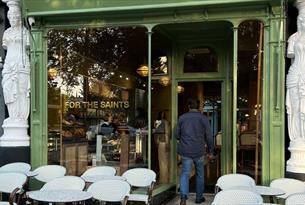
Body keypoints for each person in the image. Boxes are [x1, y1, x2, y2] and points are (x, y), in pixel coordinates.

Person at [176, 98, 214, 205]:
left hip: (186, 150)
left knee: (184, 173)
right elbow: (209, 136)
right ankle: (199, 198)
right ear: (198, 107)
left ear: (189, 106)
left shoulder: (182, 118)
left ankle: (183, 198)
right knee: (200, 174)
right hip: (199, 151)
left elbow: (176, 135)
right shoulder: (203, 118)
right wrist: (211, 151)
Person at [2, 3, 30, 123]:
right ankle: (12, 116)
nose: (12, 20)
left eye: (15, 17)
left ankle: (21, 118)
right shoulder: (6, 33)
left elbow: (29, 47)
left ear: (19, 18)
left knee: (21, 90)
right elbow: (5, 46)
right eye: (10, 17)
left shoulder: (25, 32)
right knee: (7, 88)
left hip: (21, 63)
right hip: (9, 63)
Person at [286, 12, 305, 141]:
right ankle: (297, 137)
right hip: (295, 73)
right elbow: (290, 54)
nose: (302, 23)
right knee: (295, 108)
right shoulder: (294, 38)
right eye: (300, 20)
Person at [154, 111, 170, 184]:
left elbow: (155, 133)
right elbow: (167, 133)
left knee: (161, 161)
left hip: (159, 142)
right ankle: (165, 180)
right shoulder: (165, 122)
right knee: (165, 161)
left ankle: (162, 179)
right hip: (163, 142)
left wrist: (156, 142)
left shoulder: (156, 122)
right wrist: (167, 143)